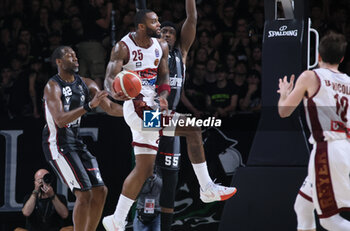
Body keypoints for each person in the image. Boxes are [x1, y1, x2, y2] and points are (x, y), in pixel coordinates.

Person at [102, 9, 236, 231]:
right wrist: (115, 92)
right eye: (154, 21)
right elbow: (108, 78)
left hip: (151, 107)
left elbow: (164, 75)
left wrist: (163, 96)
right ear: (141, 26)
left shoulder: (160, 47)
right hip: (137, 109)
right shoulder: (123, 47)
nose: (158, 25)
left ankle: (116, 218)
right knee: (192, 128)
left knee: (143, 170)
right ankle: (206, 187)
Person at [42, 45, 123, 231]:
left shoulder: (86, 83)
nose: (75, 58)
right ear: (59, 62)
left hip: (76, 142)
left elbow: (110, 108)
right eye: (70, 55)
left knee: (101, 191)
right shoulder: (52, 86)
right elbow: (60, 120)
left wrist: (136, 113)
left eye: (75, 55)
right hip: (57, 144)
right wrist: (88, 106)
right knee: (84, 194)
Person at [278, 31, 350, 231]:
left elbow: (284, 112)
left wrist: (284, 94)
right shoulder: (349, 82)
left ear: (318, 56)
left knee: (329, 220)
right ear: (342, 59)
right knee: (302, 206)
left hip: (328, 149)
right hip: (343, 147)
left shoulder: (311, 76)